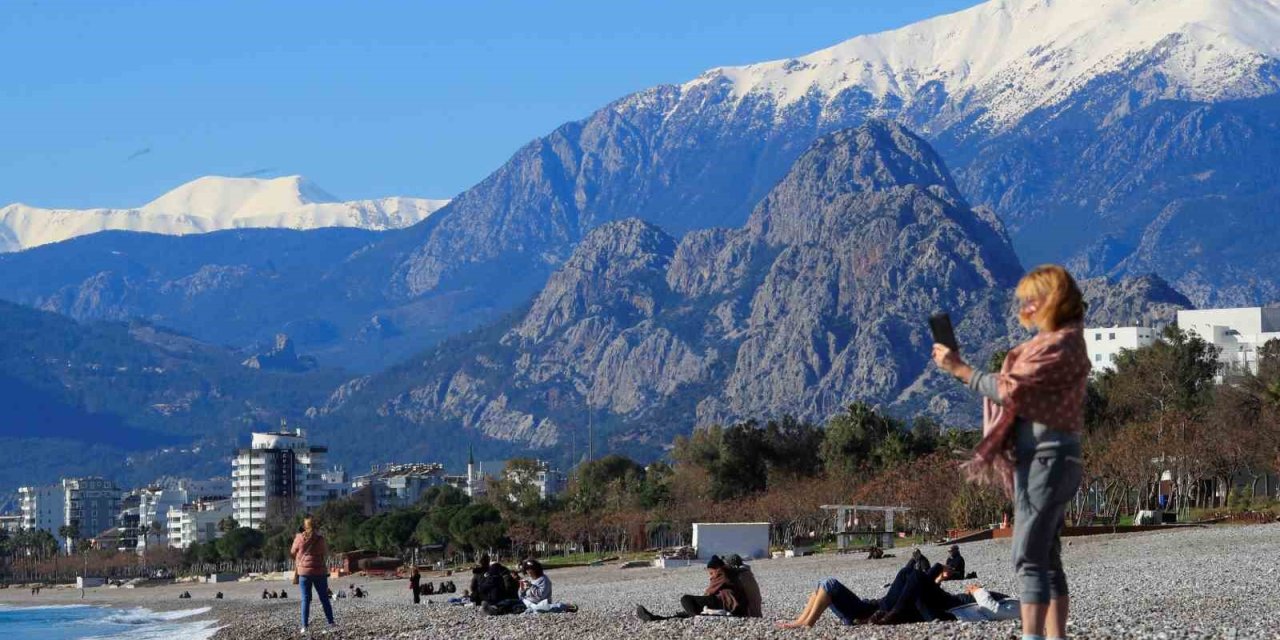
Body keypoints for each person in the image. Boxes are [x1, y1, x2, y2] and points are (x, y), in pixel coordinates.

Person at [933, 264, 1090, 640]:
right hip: (1050, 458)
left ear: (1050, 301)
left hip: (1046, 460)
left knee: (1029, 555)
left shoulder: (1059, 345)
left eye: (1032, 301)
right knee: (1048, 558)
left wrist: (961, 370)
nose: (1026, 309)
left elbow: (1011, 390)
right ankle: (1055, 636)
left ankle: (1033, 635)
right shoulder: (1067, 342)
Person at [636, 555, 747, 621]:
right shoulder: (730, 573)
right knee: (685, 612)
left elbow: (710, 592)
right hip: (725, 603)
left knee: (686, 599)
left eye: (711, 572)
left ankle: (696, 618)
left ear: (716, 568)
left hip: (723, 603)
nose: (711, 575)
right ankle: (655, 618)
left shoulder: (722, 572)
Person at [291, 514, 336, 634]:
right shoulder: (320, 539)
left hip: (304, 573)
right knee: (324, 598)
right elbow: (325, 552)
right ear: (315, 526)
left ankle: (304, 626)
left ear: (304, 526)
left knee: (305, 599)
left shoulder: (299, 538)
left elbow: (292, 551)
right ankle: (331, 622)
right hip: (319, 572)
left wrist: (299, 555)